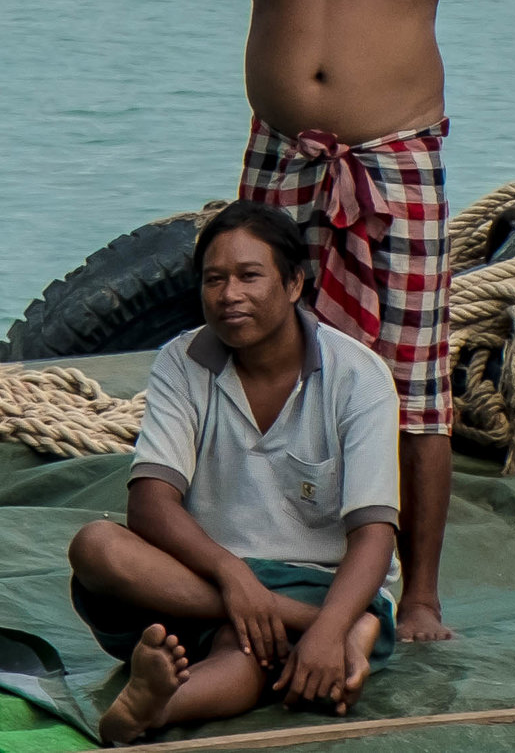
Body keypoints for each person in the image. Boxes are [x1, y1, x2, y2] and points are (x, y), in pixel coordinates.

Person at [199, 0, 476, 643]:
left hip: (394, 152)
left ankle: (427, 590)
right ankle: (274, 558)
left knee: (414, 383)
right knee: (268, 362)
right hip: (282, 154)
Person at [67, 202, 400, 743]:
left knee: (246, 651)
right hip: (198, 578)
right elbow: (150, 501)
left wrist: (332, 619)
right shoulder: (182, 361)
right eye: (214, 280)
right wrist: (234, 576)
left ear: (294, 284)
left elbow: (373, 535)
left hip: (316, 583)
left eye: (249, 276)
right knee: (95, 545)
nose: (228, 295)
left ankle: (156, 707)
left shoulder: (358, 376)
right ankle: (319, 631)